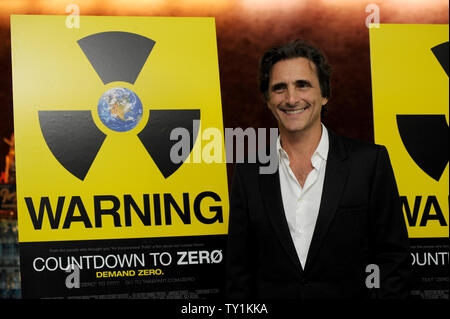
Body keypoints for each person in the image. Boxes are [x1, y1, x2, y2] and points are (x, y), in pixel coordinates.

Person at [225, 39, 411, 299]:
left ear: (324, 94)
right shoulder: (249, 173)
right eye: (279, 88)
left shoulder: (369, 163)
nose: (291, 98)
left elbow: (393, 260)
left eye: (303, 85)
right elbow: (239, 272)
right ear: (267, 100)